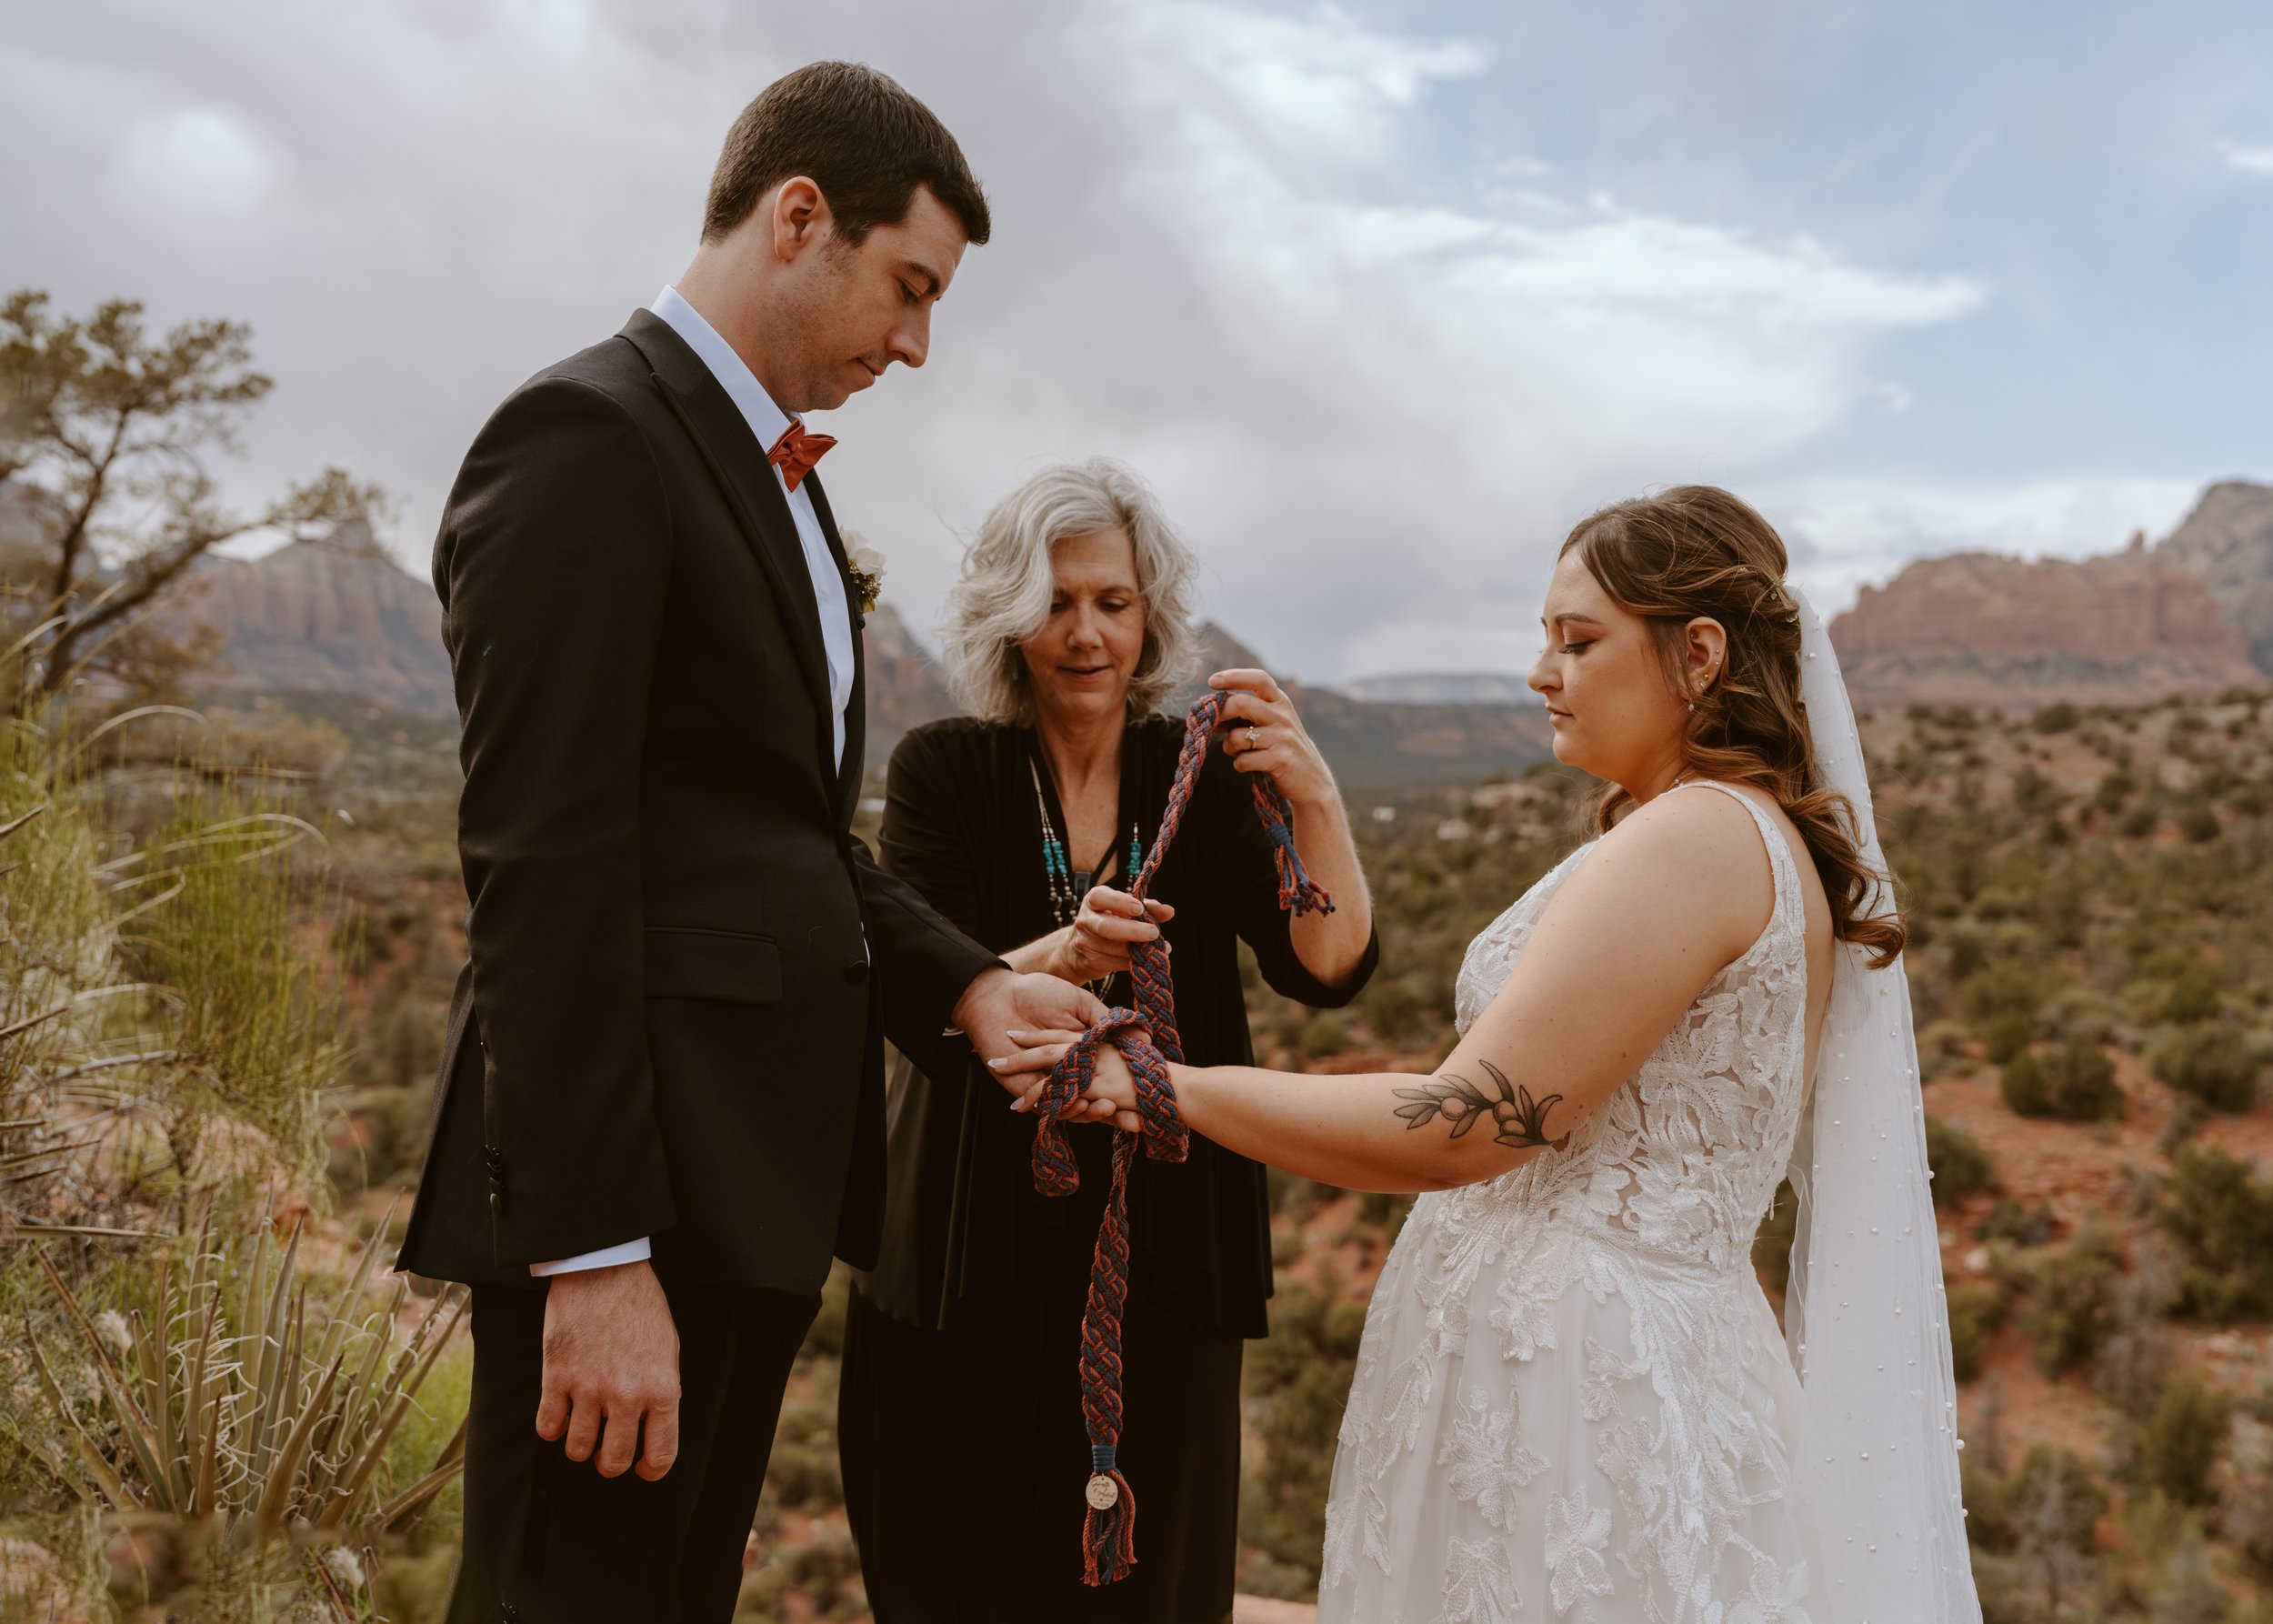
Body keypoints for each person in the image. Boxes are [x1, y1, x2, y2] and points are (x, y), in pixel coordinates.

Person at [1002, 486, 1984, 1624]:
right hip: (1591, 1365)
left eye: (1577, 640)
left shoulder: (1699, 835)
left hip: (1579, 1400)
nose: (1540, 674)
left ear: (1700, 653)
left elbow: (1470, 1122)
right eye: (1543, 639)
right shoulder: (1715, 830)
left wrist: (1161, 1085)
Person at [394, 64, 1106, 1623]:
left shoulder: (768, 479)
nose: (917, 341)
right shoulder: (588, 437)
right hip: (635, 1211)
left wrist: (971, 990)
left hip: (742, 1204)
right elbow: (546, 862)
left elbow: (776, 832)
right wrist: (592, 1256)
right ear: (800, 218)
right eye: (908, 286)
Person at [839, 458, 1379, 1622]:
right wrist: (1063, 954)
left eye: (1113, 603)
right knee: (951, 1576)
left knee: (1146, 1582)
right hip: (962, 1238)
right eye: (1056, 602)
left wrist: (1318, 803)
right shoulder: (943, 768)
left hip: (1165, 1248)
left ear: (1151, 618)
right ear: (1008, 616)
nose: (1086, 633)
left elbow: (1323, 971)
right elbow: (920, 977)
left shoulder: (1201, 780)